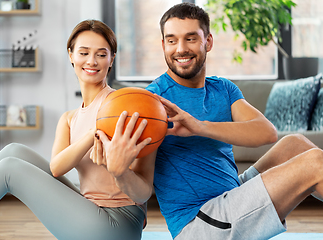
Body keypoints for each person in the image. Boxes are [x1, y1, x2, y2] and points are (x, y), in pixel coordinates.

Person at [94, 3, 323, 240]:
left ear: (208, 42)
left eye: (191, 39)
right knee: (314, 163)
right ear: (163, 45)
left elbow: (267, 133)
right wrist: (120, 173)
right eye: (171, 40)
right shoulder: (152, 103)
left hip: (231, 196)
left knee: (295, 144)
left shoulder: (223, 88)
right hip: (200, 223)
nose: (180, 49)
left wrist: (199, 127)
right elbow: (142, 191)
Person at [0, 20, 154, 240]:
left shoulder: (124, 107)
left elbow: (144, 192)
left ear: (112, 59)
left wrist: (119, 167)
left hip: (118, 224)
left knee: (10, 169)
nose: (92, 61)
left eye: (101, 54)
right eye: (84, 53)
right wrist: (93, 133)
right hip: (91, 209)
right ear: (71, 55)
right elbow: (57, 168)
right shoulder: (70, 118)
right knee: (14, 151)